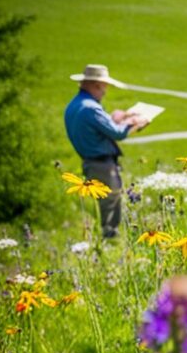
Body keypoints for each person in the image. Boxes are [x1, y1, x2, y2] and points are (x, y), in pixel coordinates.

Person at [64, 64, 149, 238]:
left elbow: (95, 129)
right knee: (111, 206)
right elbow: (117, 133)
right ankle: (110, 243)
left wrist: (116, 118)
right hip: (102, 164)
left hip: (89, 161)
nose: (105, 92)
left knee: (102, 204)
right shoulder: (91, 108)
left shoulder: (75, 105)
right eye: (104, 87)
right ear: (96, 85)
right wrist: (136, 122)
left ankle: (106, 241)